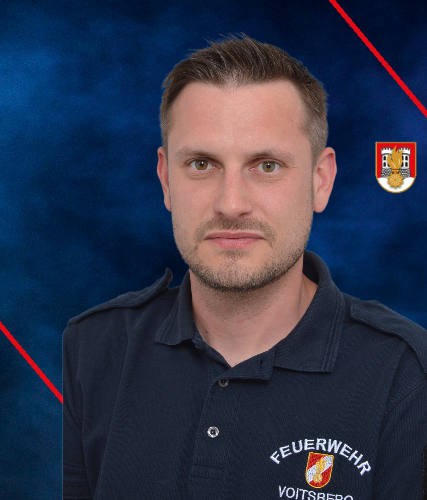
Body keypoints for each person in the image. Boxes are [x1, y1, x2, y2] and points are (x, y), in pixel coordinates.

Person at [63, 33, 427, 500]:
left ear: (320, 181)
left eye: (267, 165)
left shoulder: (408, 375)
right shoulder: (91, 348)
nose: (231, 203)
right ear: (166, 179)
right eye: (202, 164)